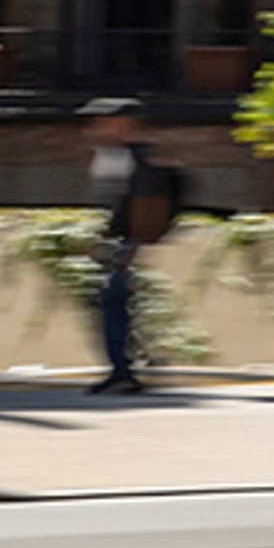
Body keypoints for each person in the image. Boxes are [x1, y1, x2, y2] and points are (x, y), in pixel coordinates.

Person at [80, 98, 180, 395]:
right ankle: (129, 366)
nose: (95, 128)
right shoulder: (113, 156)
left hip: (127, 247)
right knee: (115, 307)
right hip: (119, 245)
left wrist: (134, 245)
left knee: (114, 304)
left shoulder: (139, 161)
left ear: (123, 124)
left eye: (102, 121)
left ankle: (125, 370)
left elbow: (147, 206)